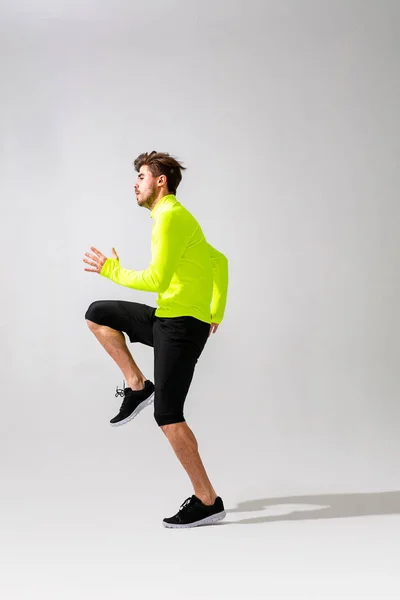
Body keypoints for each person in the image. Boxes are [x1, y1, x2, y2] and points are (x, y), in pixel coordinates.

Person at [83, 151, 229, 528]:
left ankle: (207, 500)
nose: (136, 182)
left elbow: (157, 280)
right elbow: (220, 262)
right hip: (169, 318)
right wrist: (217, 310)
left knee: (168, 415)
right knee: (98, 314)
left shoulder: (170, 217)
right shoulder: (172, 219)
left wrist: (111, 269)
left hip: (181, 328)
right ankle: (137, 385)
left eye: (142, 176)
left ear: (160, 181)